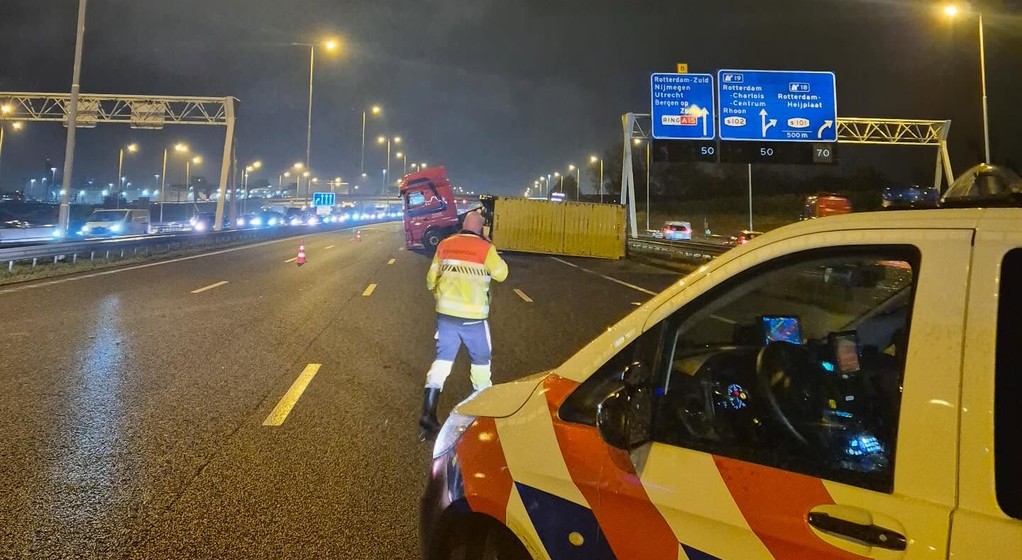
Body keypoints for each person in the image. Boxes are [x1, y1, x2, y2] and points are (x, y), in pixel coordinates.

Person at [419, 211, 508, 440]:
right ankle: (481, 416)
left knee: (442, 362)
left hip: (446, 316)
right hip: (473, 318)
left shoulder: (445, 244)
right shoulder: (485, 248)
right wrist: (489, 246)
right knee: (481, 362)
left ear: (462, 225)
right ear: (480, 228)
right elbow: (502, 274)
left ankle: (428, 415)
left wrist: (438, 292)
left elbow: (431, 278)